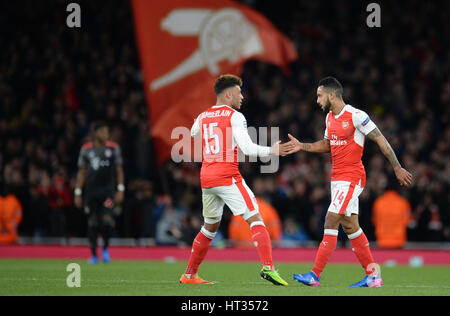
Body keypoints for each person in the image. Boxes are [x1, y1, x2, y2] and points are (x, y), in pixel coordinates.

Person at [286, 77, 413, 287]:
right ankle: (373, 275)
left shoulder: (356, 116)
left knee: (330, 219)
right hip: (337, 179)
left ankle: (314, 275)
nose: (317, 100)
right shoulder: (329, 118)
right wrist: (303, 146)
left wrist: (397, 167)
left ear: (332, 94)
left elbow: (381, 139)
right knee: (350, 226)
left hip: (352, 177)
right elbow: (327, 145)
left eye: (319, 95)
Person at [180, 74, 291, 285]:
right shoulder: (235, 116)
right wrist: (272, 150)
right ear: (229, 93)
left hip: (207, 178)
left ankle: (189, 275)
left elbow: (194, 132)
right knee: (256, 218)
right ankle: (268, 267)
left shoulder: (203, 116)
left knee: (210, 226)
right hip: (226, 175)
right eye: (239, 93)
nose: (242, 97)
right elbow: (247, 149)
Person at [74, 121, 125, 264]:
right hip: (91, 193)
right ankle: (93, 255)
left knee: (107, 221)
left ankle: (105, 249)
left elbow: (119, 170)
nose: (106, 134)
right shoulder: (86, 150)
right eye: (103, 131)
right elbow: (82, 172)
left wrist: (120, 189)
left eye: (107, 131)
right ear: (95, 133)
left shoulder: (113, 148)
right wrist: (78, 192)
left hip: (107, 193)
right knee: (92, 223)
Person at [372, 180, 411, 248]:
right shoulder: (403, 203)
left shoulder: (378, 202)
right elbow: (407, 220)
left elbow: (374, 220)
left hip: (382, 240)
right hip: (399, 240)